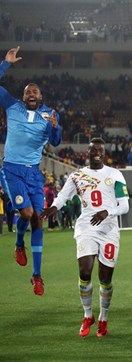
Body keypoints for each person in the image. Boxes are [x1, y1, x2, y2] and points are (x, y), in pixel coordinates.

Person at [41, 138, 129, 337]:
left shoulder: (114, 175)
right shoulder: (77, 176)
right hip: (86, 228)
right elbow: (63, 196)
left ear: (104, 153)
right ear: (87, 153)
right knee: (85, 270)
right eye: (93, 150)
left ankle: (103, 319)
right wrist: (54, 207)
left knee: (105, 278)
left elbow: (124, 205)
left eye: (100, 149)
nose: (96, 152)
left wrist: (107, 212)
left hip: (109, 231)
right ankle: (87, 315)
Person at [0, 46, 61, 295]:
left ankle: (37, 276)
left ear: (41, 96)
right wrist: (6, 64)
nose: (31, 94)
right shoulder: (12, 106)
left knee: (37, 220)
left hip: (34, 173)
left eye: (35, 91)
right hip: (12, 169)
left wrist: (55, 128)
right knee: (26, 213)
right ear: (23, 97)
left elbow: (55, 142)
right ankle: (18, 242)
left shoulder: (49, 115)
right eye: (27, 92)